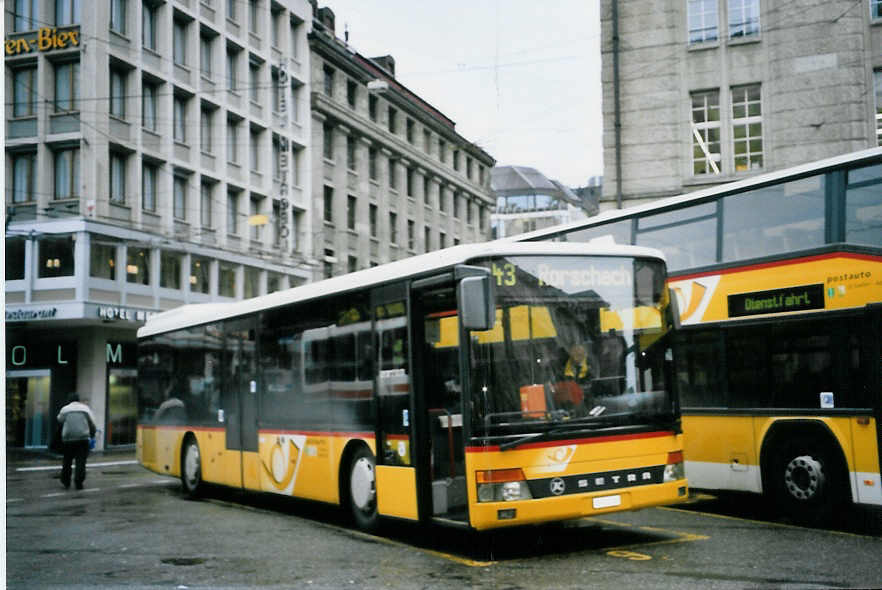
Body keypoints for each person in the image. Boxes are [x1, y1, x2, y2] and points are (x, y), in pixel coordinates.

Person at [57, 393, 97, 490]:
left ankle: (66, 481)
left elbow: (60, 420)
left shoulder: (65, 409)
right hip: (82, 438)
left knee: (67, 460)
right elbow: (92, 422)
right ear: (78, 400)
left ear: (69, 400)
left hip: (68, 439)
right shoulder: (85, 409)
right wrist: (92, 434)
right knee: (81, 461)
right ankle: (78, 482)